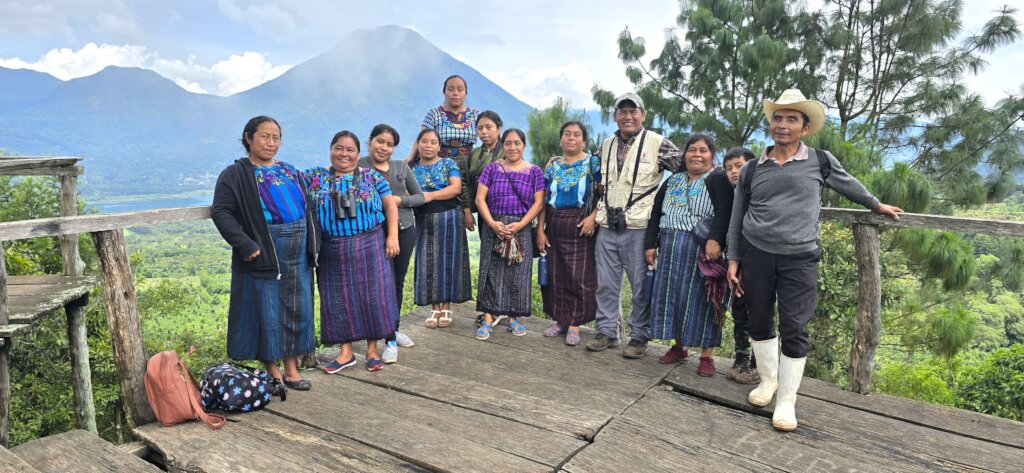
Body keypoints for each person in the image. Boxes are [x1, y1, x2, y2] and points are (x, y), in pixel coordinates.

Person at [727, 89, 903, 431]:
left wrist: (875, 205)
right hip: (756, 254)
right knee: (758, 320)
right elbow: (738, 216)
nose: (782, 125)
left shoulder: (819, 161)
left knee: (794, 327)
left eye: (792, 119)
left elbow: (848, 184)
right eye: (778, 118)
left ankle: (787, 400)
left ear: (805, 128)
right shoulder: (751, 169)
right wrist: (734, 258)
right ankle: (768, 381)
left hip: (800, 257)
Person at [211, 115, 317, 393]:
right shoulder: (235, 174)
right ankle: (273, 371)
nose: (271, 142)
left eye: (276, 137)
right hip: (264, 249)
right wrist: (245, 244)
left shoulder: (290, 170)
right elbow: (221, 212)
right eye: (265, 136)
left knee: (295, 307)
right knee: (267, 310)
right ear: (248, 138)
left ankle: (292, 369)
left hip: (297, 248)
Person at [586, 92, 683, 359]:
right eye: (622, 111)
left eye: (633, 111)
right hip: (608, 223)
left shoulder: (658, 144)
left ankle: (639, 336)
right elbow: (591, 173)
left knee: (641, 285)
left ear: (643, 115)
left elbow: (688, 169)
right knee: (605, 283)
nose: (627, 116)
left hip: (641, 225)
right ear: (615, 116)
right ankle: (607, 331)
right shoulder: (606, 145)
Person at [306, 130, 400, 373]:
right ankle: (345, 353)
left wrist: (392, 236)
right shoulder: (314, 178)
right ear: (330, 150)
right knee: (337, 300)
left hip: (370, 244)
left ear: (358, 153)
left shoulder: (372, 177)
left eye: (350, 150)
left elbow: (390, 205)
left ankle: (372, 350)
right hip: (332, 249)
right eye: (338, 148)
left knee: (373, 297)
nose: (344, 154)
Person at [644, 133, 733, 377]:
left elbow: (725, 212)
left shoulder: (717, 179)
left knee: (705, 299)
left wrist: (715, 240)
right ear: (684, 155)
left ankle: (706, 356)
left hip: (702, 250)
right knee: (674, 297)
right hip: (670, 248)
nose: (697, 155)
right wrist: (650, 243)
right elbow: (656, 212)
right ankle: (679, 347)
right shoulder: (673, 180)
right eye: (692, 150)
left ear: (712, 155)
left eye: (703, 150)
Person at [358, 124, 424, 364]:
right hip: (371, 233)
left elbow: (419, 197)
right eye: (380, 141)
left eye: (389, 144)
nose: (384, 147)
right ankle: (380, 332)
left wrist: (398, 200)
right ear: (370, 141)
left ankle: (391, 335)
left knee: (396, 282)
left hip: (404, 230)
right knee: (375, 284)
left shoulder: (401, 167)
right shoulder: (359, 166)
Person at [474, 128, 546, 340]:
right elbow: (479, 199)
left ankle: (512, 317)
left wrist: (521, 224)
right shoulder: (492, 169)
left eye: (517, 143)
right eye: (508, 143)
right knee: (491, 272)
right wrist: (492, 223)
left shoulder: (534, 171)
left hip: (520, 228)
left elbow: (539, 202)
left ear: (524, 146)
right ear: (502, 145)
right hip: (494, 225)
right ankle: (488, 317)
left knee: (518, 274)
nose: (512, 147)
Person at [536, 121, 601, 346]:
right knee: (556, 275)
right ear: (561, 139)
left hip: (581, 223)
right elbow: (544, 201)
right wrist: (540, 230)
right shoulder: (553, 167)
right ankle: (561, 320)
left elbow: (603, 193)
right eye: (567, 134)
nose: (571, 138)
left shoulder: (593, 163)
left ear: (584, 140)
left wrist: (593, 217)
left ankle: (575, 323)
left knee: (579, 276)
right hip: (554, 223)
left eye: (577, 134)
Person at [410, 128, 472, 327]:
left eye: (433, 142)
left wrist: (429, 195)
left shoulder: (448, 163)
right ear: (418, 144)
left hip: (449, 217)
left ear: (439, 146)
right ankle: (434, 307)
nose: (428, 145)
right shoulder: (411, 168)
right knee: (428, 262)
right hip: (422, 219)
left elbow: (455, 188)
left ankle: (446, 306)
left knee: (449, 261)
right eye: (424, 141)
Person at [722, 147, 759, 384]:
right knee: (739, 309)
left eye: (739, 166)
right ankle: (741, 358)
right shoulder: (729, 194)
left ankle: (758, 364)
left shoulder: (757, 193)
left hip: (757, 259)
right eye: (729, 168)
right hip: (735, 259)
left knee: (759, 312)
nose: (734, 172)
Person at [413, 75, 479, 161]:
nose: (455, 93)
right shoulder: (433, 114)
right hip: (439, 162)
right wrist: (410, 157)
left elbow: (490, 137)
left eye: (460, 89)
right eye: (451, 89)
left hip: (469, 163)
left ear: (466, 94)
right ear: (444, 93)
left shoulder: (475, 115)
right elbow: (422, 138)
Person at [459, 110, 505, 231]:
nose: (484, 132)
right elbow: (463, 181)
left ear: (499, 129)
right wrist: (467, 210)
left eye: (488, 127)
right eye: (480, 128)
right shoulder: (475, 153)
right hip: (481, 209)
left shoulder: (508, 152)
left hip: (504, 210)